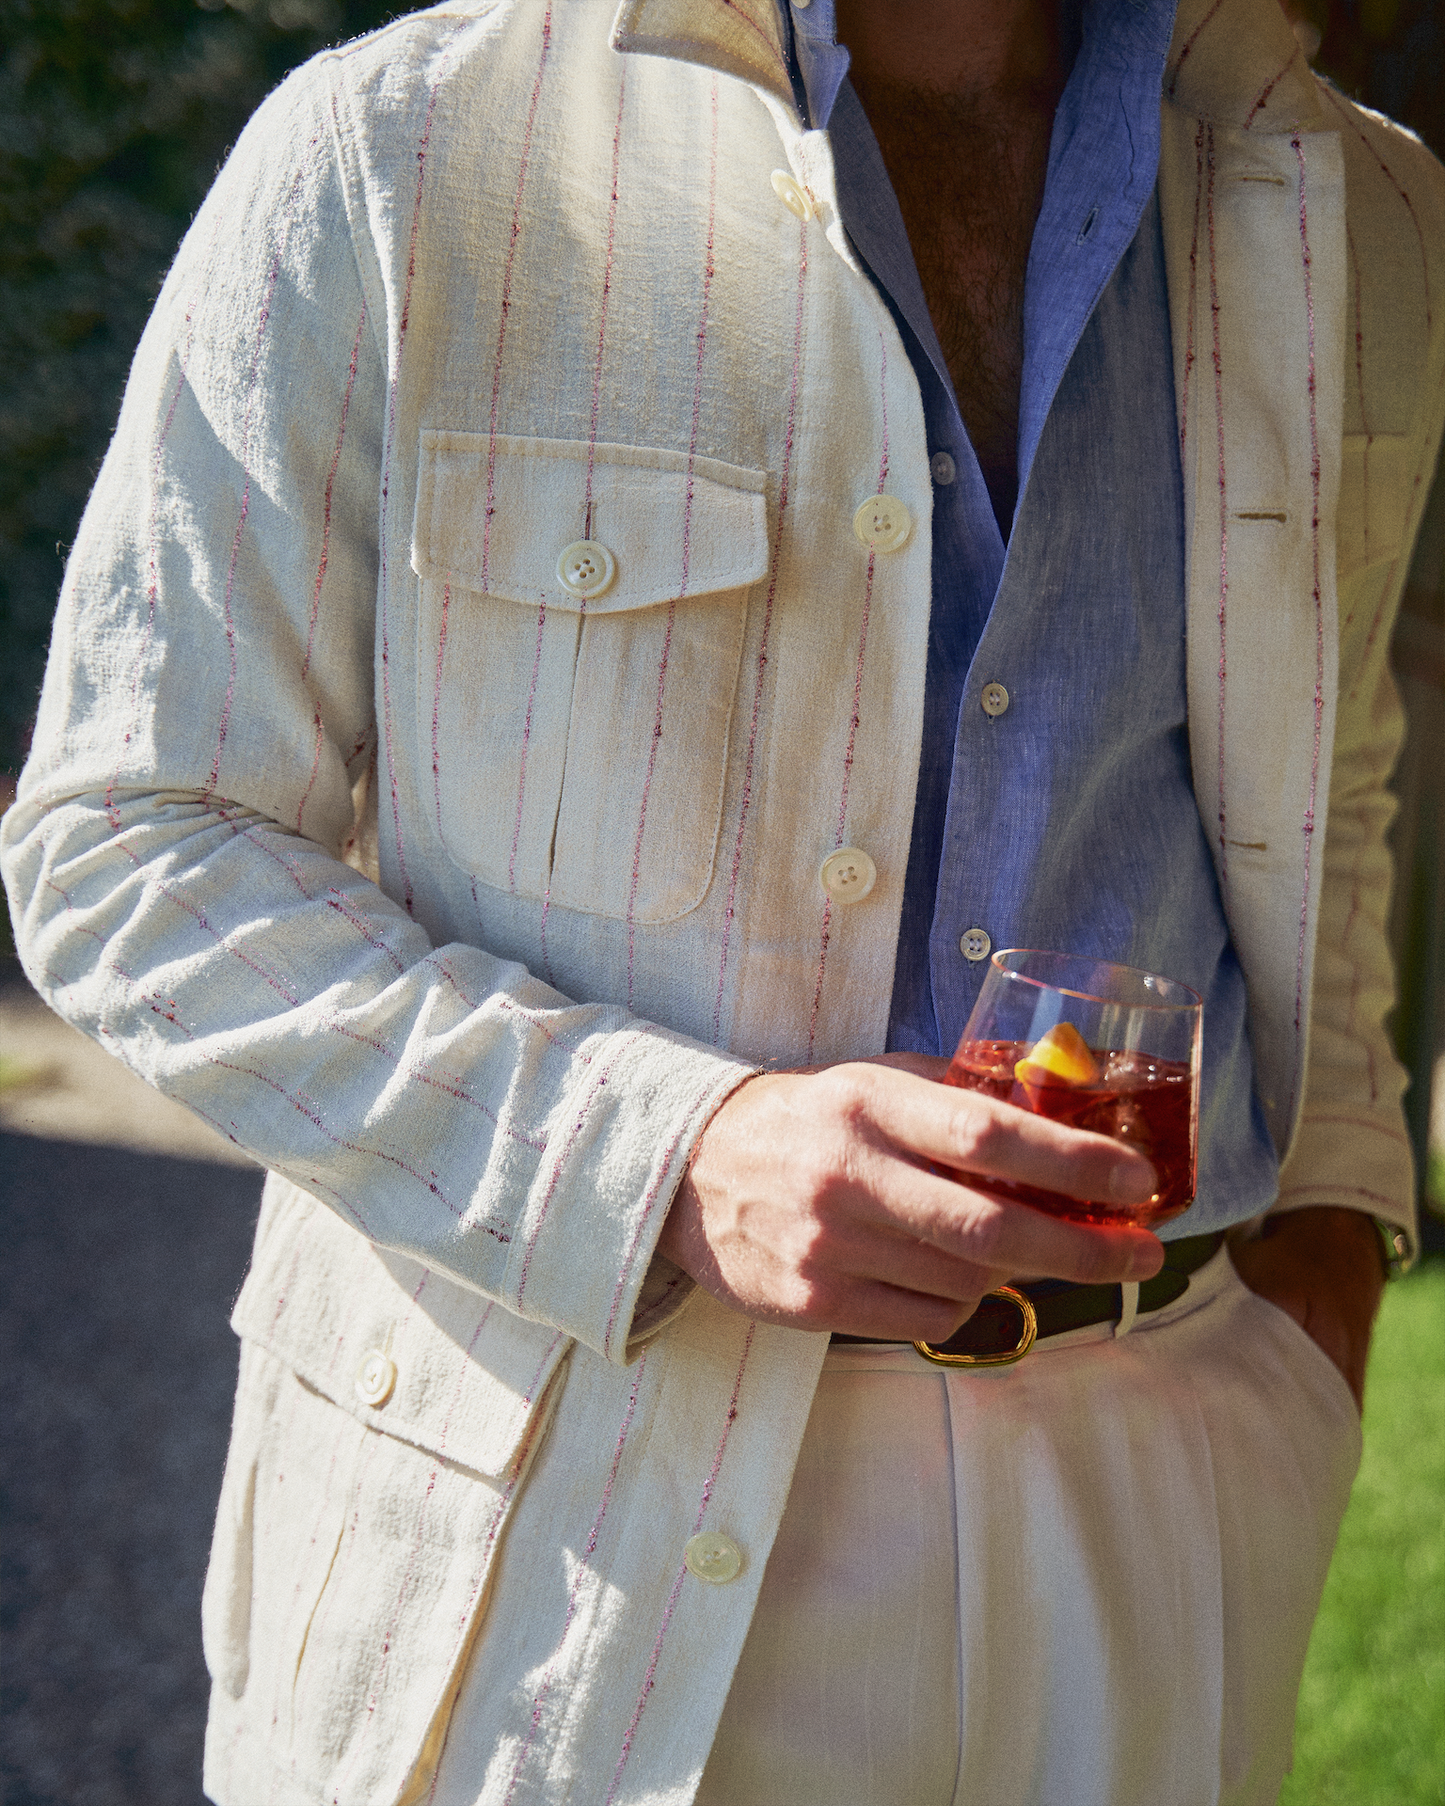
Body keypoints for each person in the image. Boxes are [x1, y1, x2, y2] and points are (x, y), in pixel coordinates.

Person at [3, 0, 1442, 1798]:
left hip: (1165, 1506)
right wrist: (668, 1156)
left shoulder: (1354, 210)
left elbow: (1329, 796)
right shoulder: (397, 148)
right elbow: (131, 843)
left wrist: (1324, 1277)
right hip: (576, 1526)